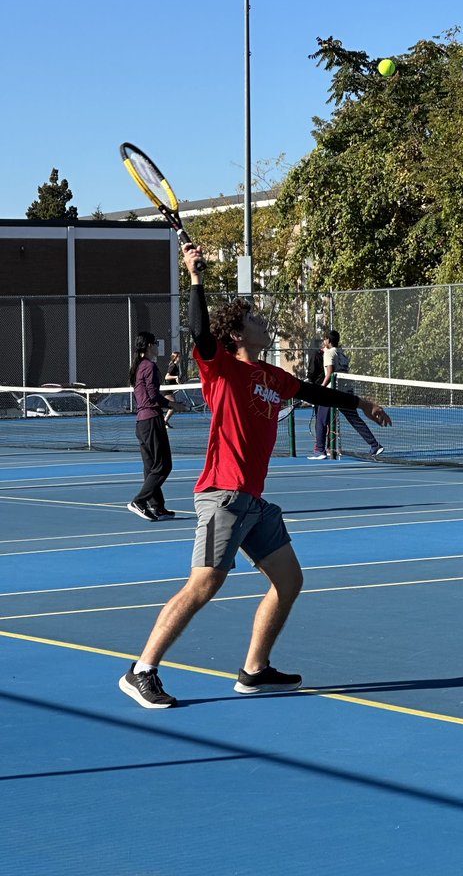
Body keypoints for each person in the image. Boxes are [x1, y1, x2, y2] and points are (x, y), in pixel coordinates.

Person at [118, 243, 392, 709]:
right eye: (257, 321)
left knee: (289, 580)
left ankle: (254, 670)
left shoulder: (271, 374)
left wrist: (361, 402)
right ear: (239, 334)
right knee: (203, 584)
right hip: (222, 495)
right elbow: (199, 329)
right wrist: (195, 276)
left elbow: (313, 393)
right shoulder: (219, 368)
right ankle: (141, 670)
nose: (265, 324)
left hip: (253, 501)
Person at [309, 329, 384, 460]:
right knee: (355, 419)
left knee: (321, 420)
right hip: (346, 391)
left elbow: (330, 373)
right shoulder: (342, 354)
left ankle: (320, 451)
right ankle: (374, 445)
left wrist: (321, 388)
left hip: (332, 392)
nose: (324, 342)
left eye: (325, 339)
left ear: (328, 340)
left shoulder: (328, 353)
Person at [126, 332, 175, 522]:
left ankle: (158, 507)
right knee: (163, 466)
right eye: (155, 343)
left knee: (150, 467)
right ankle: (139, 501)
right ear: (148, 346)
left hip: (141, 423)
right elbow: (154, 398)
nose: (157, 346)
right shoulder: (150, 367)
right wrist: (173, 404)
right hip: (152, 421)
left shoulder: (138, 367)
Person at [163, 350, 181, 427]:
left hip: (171, 389)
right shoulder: (172, 366)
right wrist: (176, 377)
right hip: (167, 389)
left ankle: (165, 421)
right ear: (175, 358)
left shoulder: (176, 367)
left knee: (172, 405)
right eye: (179, 357)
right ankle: (164, 421)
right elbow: (166, 377)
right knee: (173, 405)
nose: (180, 358)